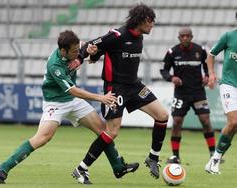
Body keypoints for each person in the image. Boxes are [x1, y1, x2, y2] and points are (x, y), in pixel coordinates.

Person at [0, 30, 139, 184]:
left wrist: (91, 51)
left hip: (72, 101)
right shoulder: (55, 65)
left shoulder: (74, 48)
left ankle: (118, 167)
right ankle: (3, 167)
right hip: (55, 103)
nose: (77, 52)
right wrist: (100, 98)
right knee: (43, 138)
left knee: (103, 130)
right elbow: (73, 90)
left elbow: (87, 47)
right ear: (63, 51)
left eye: (78, 49)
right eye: (74, 51)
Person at [72, 4, 169, 183]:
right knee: (112, 131)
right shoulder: (117, 35)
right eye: (150, 21)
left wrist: (96, 55)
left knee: (162, 115)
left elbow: (106, 52)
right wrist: (84, 57)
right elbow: (92, 45)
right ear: (140, 20)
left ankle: (153, 158)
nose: (152, 25)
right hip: (115, 89)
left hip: (134, 86)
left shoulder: (140, 37)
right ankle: (81, 169)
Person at [160, 27, 216, 164]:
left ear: (191, 37)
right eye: (182, 36)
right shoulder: (172, 52)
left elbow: (208, 66)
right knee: (177, 122)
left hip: (198, 92)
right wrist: (171, 78)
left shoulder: (200, 50)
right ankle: (176, 156)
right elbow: (164, 70)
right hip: (181, 93)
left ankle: (213, 155)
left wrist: (207, 76)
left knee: (206, 121)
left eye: (187, 36)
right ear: (179, 38)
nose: (185, 38)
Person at [205, 13, 237, 174]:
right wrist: (211, 74)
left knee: (235, 126)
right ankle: (215, 160)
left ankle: (214, 159)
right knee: (233, 122)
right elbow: (210, 55)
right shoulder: (229, 36)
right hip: (229, 85)